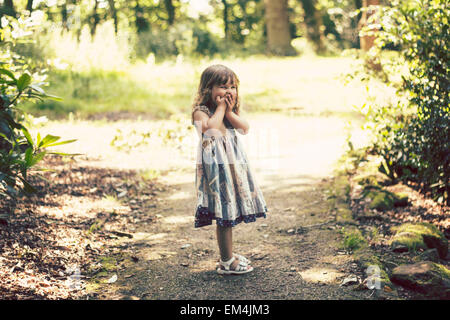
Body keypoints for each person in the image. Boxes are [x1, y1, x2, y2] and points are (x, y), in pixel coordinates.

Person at [191, 64, 268, 275]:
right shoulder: (201, 112)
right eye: (223, 86)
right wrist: (222, 109)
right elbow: (210, 129)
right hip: (217, 172)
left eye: (232, 87)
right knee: (224, 214)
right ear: (208, 89)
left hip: (233, 170)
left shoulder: (229, 113)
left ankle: (228, 255)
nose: (228, 91)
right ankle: (226, 262)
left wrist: (229, 111)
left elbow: (245, 128)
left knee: (229, 212)